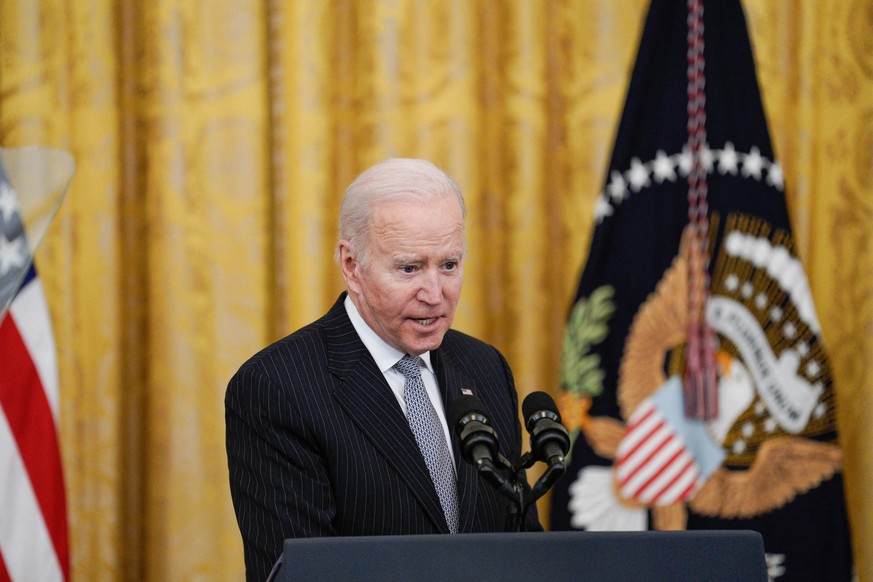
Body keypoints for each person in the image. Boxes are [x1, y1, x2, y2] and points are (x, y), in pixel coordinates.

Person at [225, 158, 540, 581]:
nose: (435, 294)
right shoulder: (277, 387)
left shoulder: (484, 368)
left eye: (449, 265)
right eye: (409, 268)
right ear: (352, 265)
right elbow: (300, 572)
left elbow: (522, 546)